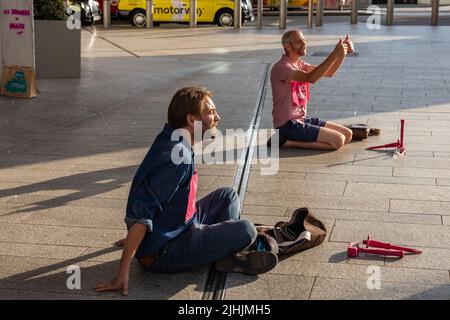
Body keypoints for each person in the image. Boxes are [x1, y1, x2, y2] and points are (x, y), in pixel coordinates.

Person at [95, 87, 278, 296]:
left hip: (181, 224)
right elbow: (142, 212)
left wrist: (135, 239)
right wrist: (123, 270)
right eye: (210, 112)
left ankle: (222, 252)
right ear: (191, 120)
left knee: (227, 196)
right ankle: (224, 252)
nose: (217, 117)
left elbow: (149, 191)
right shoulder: (176, 158)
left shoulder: (172, 138)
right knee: (246, 230)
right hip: (164, 251)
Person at [269, 29, 355, 150]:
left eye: (304, 40)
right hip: (287, 125)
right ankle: (287, 141)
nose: (304, 44)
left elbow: (329, 72)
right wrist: (334, 54)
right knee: (338, 141)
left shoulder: (300, 64)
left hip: (302, 119)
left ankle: (288, 139)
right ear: (287, 46)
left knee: (348, 134)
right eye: (299, 42)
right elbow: (311, 78)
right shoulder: (282, 67)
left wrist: (342, 54)